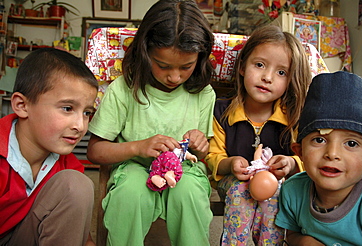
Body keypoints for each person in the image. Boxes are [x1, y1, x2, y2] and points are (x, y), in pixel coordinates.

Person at [86, 0, 216, 245]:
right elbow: (94, 151)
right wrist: (137, 147)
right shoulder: (124, 89)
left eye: (186, 66)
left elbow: (207, 151)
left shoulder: (203, 93)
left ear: (200, 58)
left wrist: (200, 144)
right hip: (132, 167)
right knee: (130, 195)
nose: (174, 76)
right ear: (144, 52)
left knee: (188, 194)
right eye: (163, 65)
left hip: (184, 171)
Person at [205, 24, 312, 245]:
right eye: (260, 65)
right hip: (233, 182)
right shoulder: (221, 112)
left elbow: (308, 157)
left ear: (290, 80)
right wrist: (230, 163)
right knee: (240, 191)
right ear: (243, 66)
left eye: (281, 72)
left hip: (277, 185)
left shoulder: (292, 117)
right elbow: (212, 156)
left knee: (274, 192)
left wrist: (291, 163)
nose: (267, 77)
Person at [0, 48, 98, 245]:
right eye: (67, 108)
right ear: (22, 105)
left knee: (77, 185)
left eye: (87, 113)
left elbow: (81, 238)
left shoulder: (68, 168)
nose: (80, 126)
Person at [275, 71, 362, 245]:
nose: (332, 153)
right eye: (319, 140)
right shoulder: (292, 190)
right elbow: (288, 233)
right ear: (300, 153)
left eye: (351, 144)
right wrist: (304, 242)